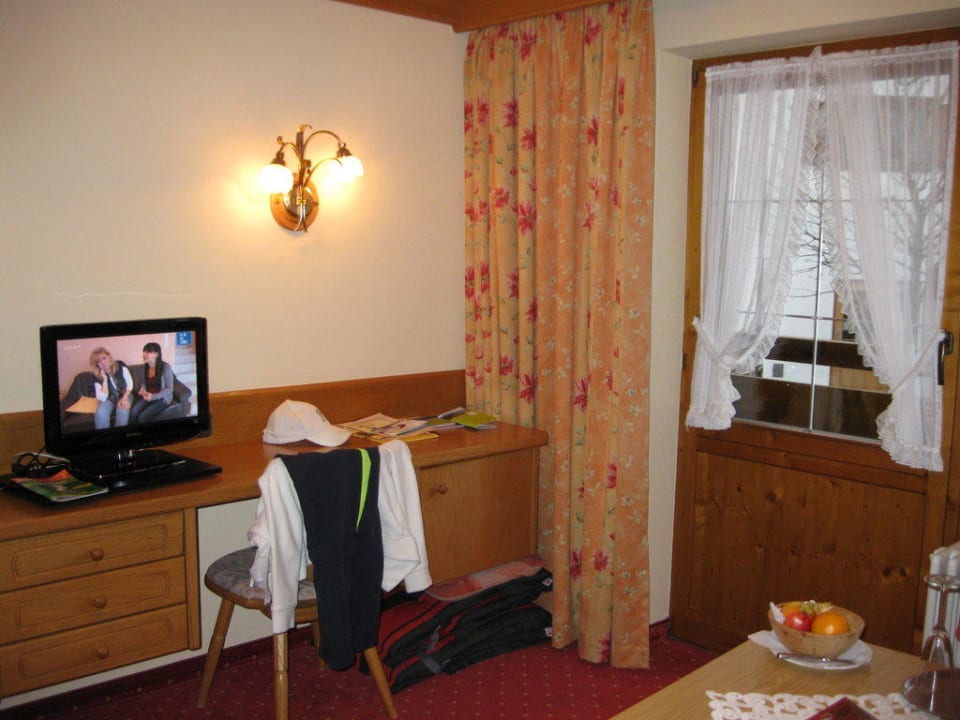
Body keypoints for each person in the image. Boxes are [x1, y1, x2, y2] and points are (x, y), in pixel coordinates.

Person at [131, 341, 175, 424]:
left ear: (156, 354)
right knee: (134, 411)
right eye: (144, 351)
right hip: (149, 395)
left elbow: (170, 388)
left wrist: (154, 396)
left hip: (162, 398)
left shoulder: (166, 367)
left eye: (148, 352)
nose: (144, 354)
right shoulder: (146, 366)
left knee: (143, 416)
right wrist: (142, 389)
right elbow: (144, 382)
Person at [90, 347, 133, 429]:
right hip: (109, 399)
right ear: (96, 364)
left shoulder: (120, 365)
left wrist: (124, 398)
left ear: (109, 356)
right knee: (100, 413)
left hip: (125, 394)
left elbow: (130, 384)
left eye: (104, 358)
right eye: (98, 361)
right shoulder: (96, 375)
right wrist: (105, 380)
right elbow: (102, 398)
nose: (102, 363)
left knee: (123, 410)